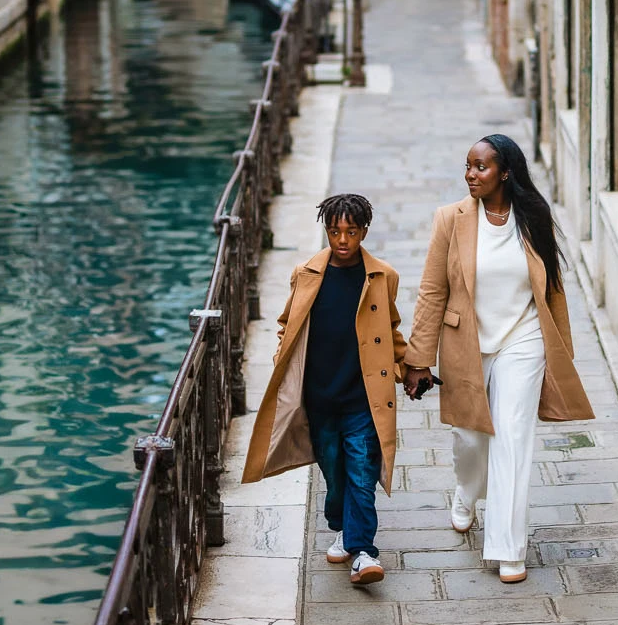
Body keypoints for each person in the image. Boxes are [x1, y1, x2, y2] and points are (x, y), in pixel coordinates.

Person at [403, 135, 594, 582]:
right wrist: (417, 358)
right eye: (468, 166)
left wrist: (560, 353)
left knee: (510, 436)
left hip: (522, 339)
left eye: (481, 167)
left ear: (505, 171)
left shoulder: (533, 217)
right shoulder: (450, 220)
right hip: (465, 342)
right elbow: (432, 291)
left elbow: (553, 292)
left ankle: (509, 548)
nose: (471, 174)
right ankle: (467, 493)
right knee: (470, 440)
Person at [242, 194, 410, 587]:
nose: (343, 240)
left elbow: (391, 330)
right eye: (335, 231)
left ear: (364, 231)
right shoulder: (306, 273)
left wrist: (408, 369)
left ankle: (364, 551)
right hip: (319, 399)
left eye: (351, 232)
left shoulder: (382, 276)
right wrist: (283, 358)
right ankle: (341, 525)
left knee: (362, 473)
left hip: (363, 400)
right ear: (326, 231)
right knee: (334, 474)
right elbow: (288, 323)